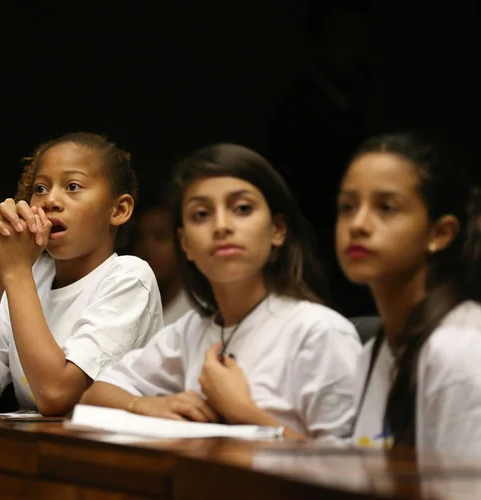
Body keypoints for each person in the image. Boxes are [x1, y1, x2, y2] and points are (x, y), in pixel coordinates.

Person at [82, 144, 361, 440]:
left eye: (242, 209)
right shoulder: (190, 333)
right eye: (201, 214)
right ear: (185, 243)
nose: (222, 226)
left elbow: (354, 469)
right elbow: (95, 396)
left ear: (278, 229)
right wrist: (147, 404)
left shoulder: (321, 333)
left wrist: (242, 411)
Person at [0, 132, 163, 416]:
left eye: (73, 186)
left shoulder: (129, 276)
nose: (50, 201)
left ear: (119, 210)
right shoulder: (28, 276)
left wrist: (17, 273)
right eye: (41, 188)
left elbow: (57, 396)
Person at [338, 132, 481, 458]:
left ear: (440, 233)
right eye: (347, 207)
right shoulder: (374, 352)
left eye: (386, 208)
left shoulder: (460, 349)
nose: (358, 224)